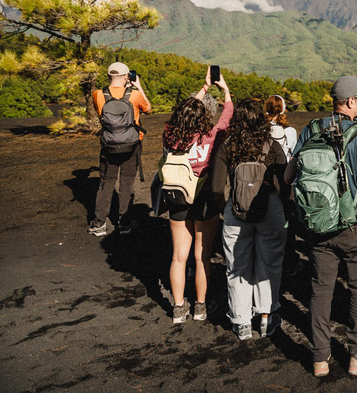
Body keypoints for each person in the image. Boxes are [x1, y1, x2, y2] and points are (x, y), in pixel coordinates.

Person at [284, 76, 357, 378]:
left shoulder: (310, 129)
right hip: (356, 226)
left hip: (318, 224)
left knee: (320, 290)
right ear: (350, 102)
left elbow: (288, 175)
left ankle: (320, 358)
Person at [210, 99, 288, 340]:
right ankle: (266, 317)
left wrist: (225, 212)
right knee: (269, 263)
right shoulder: (272, 146)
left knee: (237, 266)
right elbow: (285, 181)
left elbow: (215, 187)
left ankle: (241, 322)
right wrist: (282, 207)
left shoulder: (227, 147)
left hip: (236, 209)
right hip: (271, 208)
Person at [162, 67, 232, 324]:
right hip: (203, 200)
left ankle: (178, 307)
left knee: (178, 257)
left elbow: (183, 112)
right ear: (206, 115)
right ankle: (200, 306)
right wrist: (224, 90)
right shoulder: (212, 136)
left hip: (177, 199)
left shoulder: (170, 134)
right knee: (202, 256)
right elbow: (228, 114)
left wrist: (202, 89)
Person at [89, 62, 151, 237]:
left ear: (109, 76)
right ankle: (124, 222)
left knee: (105, 183)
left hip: (108, 146)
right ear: (126, 77)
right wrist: (138, 87)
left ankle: (99, 223)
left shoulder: (98, 94)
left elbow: (99, 113)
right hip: (131, 146)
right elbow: (148, 109)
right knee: (126, 182)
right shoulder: (135, 95)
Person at [264, 94, 302, 277]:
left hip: (264, 178)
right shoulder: (290, 131)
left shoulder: (261, 130)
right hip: (285, 179)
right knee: (287, 218)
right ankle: (289, 259)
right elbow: (294, 155)